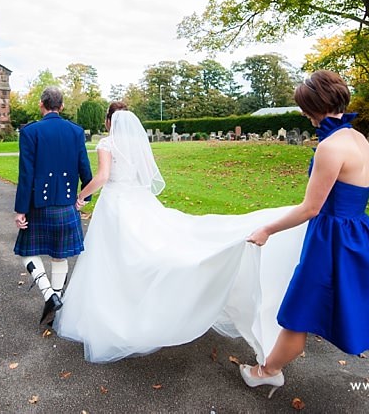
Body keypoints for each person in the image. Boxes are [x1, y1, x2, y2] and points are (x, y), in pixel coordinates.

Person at [53, 103, 307, 364]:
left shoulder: (107, 143)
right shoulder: (136, 143)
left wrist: (82, 196)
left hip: (115, 204)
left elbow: (103, 176)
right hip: (137, 200)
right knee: (139, 250)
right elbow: (148, 176)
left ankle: (118, 308)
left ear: (109, 121)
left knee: (112, 257)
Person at [242, 70, 369, 413]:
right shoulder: (359, 139)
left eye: (305, 108)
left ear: (313, 107)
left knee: (299, 313)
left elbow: (311, 208)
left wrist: (267, 229)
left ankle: (267, 372)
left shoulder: (330, 147)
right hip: (364, 237)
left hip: (333, 242)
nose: (304, 114)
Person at [13, 86, 93, 327]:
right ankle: (55, 304)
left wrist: (21, 210)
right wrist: (84, 198)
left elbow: (26, 174)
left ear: (41, 104)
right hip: (67, 205)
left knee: (26, 252)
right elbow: (85, 168)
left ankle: (50, 296)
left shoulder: (30, 132)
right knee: (60, 256)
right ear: (62, 106)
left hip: (39, 205)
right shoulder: (76, 131)